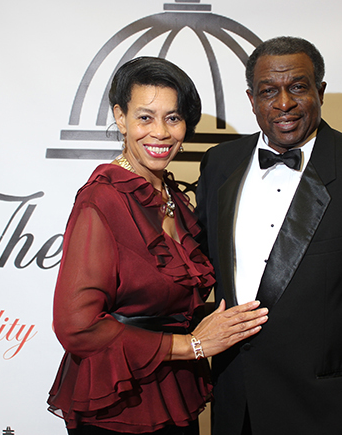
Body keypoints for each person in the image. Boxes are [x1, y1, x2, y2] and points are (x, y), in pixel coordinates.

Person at [196, 37, 342, 435]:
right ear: (251, 99)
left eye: (298, 87)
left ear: (320, 91)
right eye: (269, 91)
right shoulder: (220, 162)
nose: (284, 103)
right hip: (237, 406)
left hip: (330, 413)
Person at [47, 56, 268, 435]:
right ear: (120, 117)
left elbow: (168, 302)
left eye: (173, 118)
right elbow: (76, 326)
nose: (161, 133)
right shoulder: (103, 199)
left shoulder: (171, 195)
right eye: (145, 117)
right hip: (120, 398)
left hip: (172, 385)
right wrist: (192, 345)